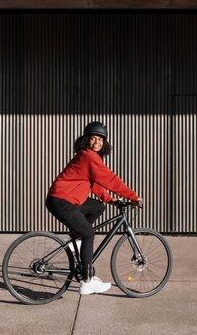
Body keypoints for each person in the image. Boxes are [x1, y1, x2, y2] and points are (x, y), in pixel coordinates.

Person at [46, 121, 143, 295]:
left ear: (104, 142)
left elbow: (95, 184)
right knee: (88, 234)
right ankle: (86, 281)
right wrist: (133, 196)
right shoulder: (88, 156)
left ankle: (77, 241)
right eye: (93, 138)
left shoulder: (90, 157)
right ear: (86, 140)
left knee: (98, 206)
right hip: (62, 201)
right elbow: (110, 179)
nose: (97, 142)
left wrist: (110, 200)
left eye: (100, 139)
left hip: (65, 199)